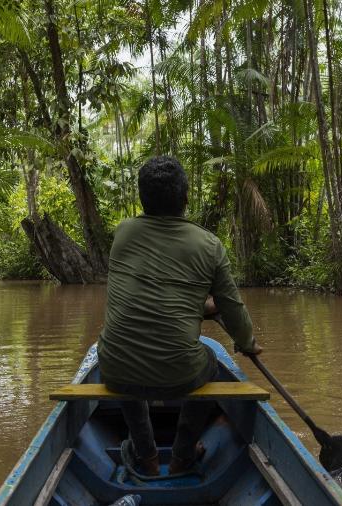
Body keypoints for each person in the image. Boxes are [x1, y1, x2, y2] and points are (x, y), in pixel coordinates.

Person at [97, 155, 262, 476]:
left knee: (121, 356)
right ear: (186, 199)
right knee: (211, 361)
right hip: (181, 375)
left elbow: (155, 293)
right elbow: (232, 306)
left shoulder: (123, 234)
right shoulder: (209, 245)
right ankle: (183, 454)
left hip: (115, 369)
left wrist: (199, 307)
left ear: (142, 199)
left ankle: (144, 454)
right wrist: (247, 343)